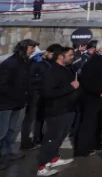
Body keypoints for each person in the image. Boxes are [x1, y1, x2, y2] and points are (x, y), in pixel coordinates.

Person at [36, 46, 78, 176]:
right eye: (70, 55)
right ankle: (42, 166)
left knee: (60, 137)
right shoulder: (52, 71)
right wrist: (70, 87)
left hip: (68, 109)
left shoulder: (66, 69)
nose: (72, 57)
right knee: (52, 138)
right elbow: (48, 92)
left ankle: (53, 159)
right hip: (57, 111)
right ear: (61, 56)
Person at [75, 39, 102, 157]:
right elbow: (86, 80)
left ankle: (96, 142)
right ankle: (82, 149)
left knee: (99, 122)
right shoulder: (93, 61)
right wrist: (99, 91)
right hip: (93, 98)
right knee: (88, 123)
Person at [0, 39, 38, 168]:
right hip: (5, 103)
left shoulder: (24, 62)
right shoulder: (10, 63)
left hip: (17, 102)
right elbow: (3, 85)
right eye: (31, 48)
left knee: (11, 130)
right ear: (24, 48)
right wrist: (16, 95)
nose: (33, 50)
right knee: (2, 132)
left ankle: (7, 152)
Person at [22, 44, 54, 150]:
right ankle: (25, 142)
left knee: (40, 117)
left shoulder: (47, 63)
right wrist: (43, 79)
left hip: (42, 93)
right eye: (52, 54)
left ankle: (38, 138)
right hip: (34, 93)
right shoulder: (36, 63)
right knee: (30, 118)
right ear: (47, 52)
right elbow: (30, 79)